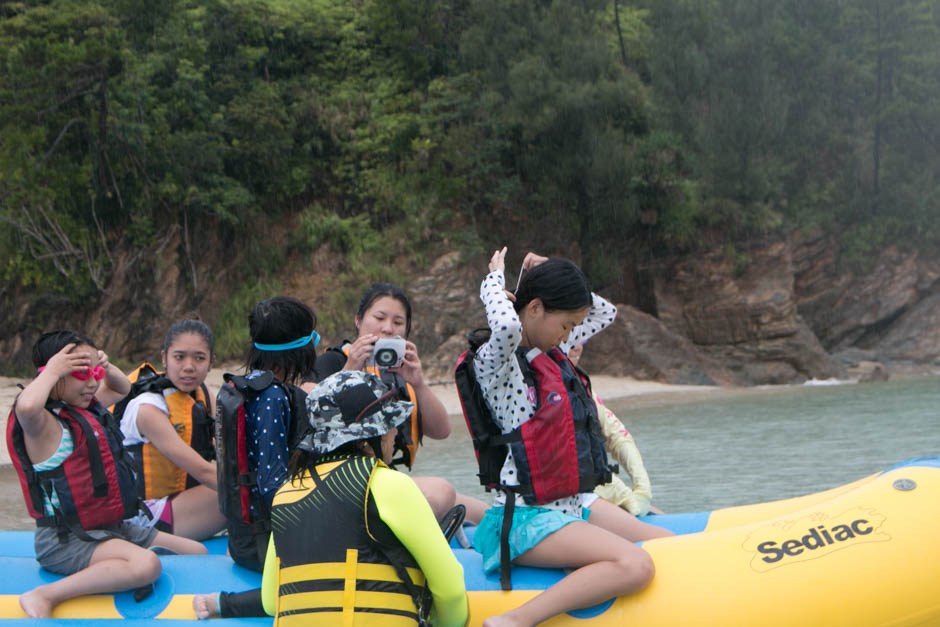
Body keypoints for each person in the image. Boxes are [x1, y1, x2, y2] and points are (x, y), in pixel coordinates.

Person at [465, 248, 673, 627]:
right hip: (525, 521)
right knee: (636, 563)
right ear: (535, 309)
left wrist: (549, 271)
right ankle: (515, 620)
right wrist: (494, 281)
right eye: (565, 325)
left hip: (570, 507)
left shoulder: (549, 350)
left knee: (667, 543)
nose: (570, 335)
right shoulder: (497, 365)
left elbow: (606, 312)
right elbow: (508, 328)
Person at [6, 330, 206, 618]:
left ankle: (118, 567)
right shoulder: (41, 425)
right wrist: (53, 369)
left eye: (95, 372)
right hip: (66, 540)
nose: (92, 382)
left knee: (196, 552)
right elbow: (25, 405)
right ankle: (44, 595)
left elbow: (122, 387)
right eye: (81, 373)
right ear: (54, 374)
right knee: (147, 565)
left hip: (110, 529)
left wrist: (105, 366)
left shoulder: (83, 405)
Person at [261, 369, 468, 626]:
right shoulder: (388, 485)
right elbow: (450, 590)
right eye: (390, 425)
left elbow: (271, 601)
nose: (395, 435)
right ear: (371, 435)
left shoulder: (287, 493)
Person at [306, 282, 487, 523]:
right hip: (342, 482)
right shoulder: (332, 361)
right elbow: (308, 412)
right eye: (379, 318)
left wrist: (419, 383)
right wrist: (350, 370)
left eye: (398, 322)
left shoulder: (400, 373)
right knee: (441, 492)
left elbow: (441, 431)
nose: (388, 328)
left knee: (484, 512)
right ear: (358, 320)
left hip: (387, 481)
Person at [194, 296, 318, 619]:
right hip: (261, 544)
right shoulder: (273, 397)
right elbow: (272, 483)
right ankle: (223, 604)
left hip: (248, 535)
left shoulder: (249, 388)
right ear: (299, 352)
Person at [115, 318, 227, 540]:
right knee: (239, 496)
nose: (189, 366)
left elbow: (229, 449)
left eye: (199, 358)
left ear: (211, 363)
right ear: (164, 358)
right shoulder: (148, 408)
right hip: (142, 516)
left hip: (181, 502)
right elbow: (203, 472)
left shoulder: (203, 395)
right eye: (179, 357)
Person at [566, 342, 663, 517]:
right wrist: (623, 494)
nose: (577, 347)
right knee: (663, 535)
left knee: (659, 517)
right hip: (571, 496)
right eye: (570, 338)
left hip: (596, 488)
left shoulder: (581, 386)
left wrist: (642, 489)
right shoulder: (550, 390)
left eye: (581, 339)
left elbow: (617, 436)